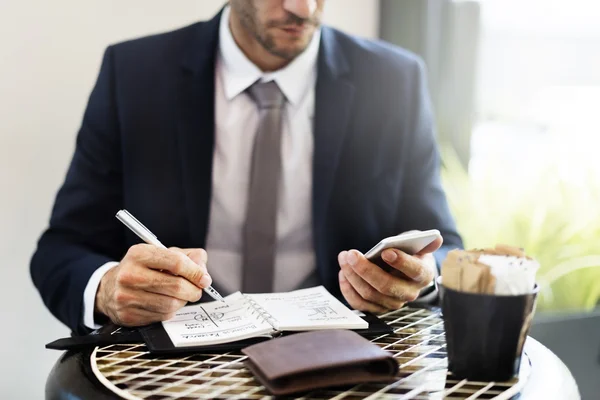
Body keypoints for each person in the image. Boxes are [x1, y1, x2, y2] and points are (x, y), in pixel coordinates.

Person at [31, 0, 463, 335]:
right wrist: (108, 288)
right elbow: (62, 249)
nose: (303, 8)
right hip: (175, 361)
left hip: (340, 358)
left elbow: (442, 246)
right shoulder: (134, 74)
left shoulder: (393, 80)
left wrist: (419, 279)